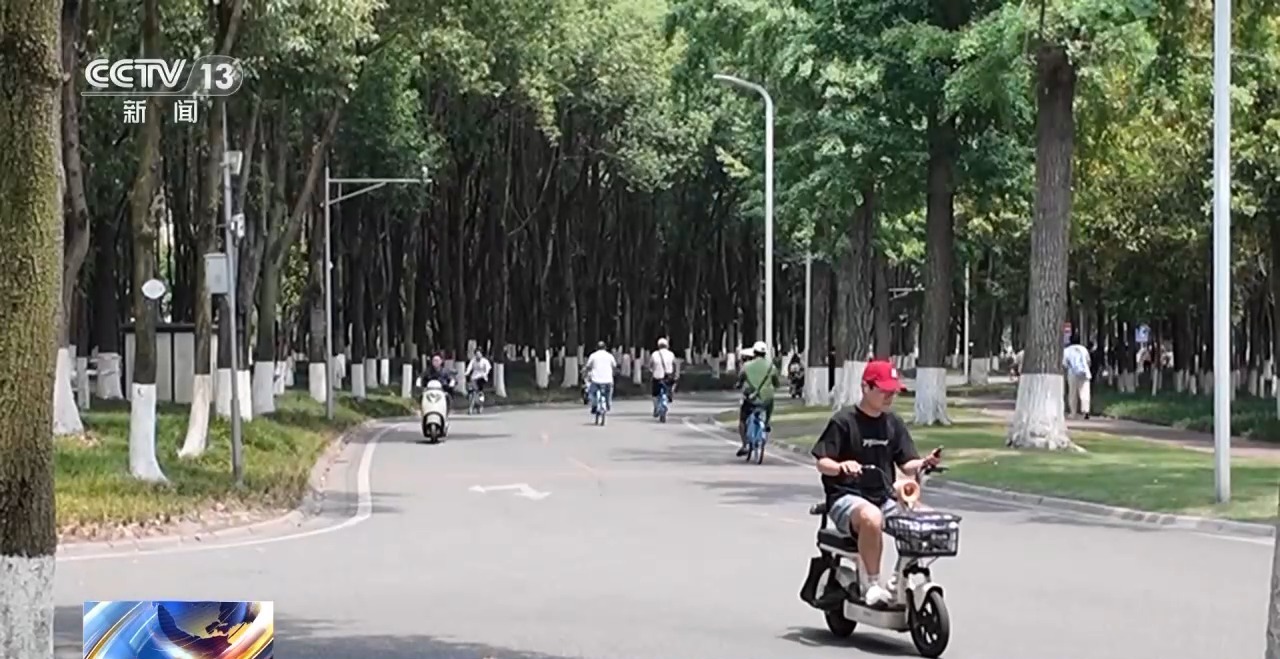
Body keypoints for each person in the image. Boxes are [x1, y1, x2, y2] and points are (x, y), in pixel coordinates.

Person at [810, 359, 941, 607]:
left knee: (928, 521)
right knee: (871, 517)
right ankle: (871, 584)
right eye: (884, 390)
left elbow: (907, 464)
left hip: (883, 497)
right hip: (846, 498)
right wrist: (841, 466)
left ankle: (899, 579)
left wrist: (924, 463)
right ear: (865, 387)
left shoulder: (893, 423)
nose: (890, 396)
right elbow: (822, 462)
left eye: (893, 391)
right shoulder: (844, 421)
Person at [735, 341, 779, 457]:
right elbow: (776, 383)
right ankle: (767, 422)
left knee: (742, 420)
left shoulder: (746, 366)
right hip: (766, 400)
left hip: (751, 399)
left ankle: (744, 445)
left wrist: (739, 385)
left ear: (754, 353)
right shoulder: (771, 366)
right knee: (770, 403)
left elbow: (740, 379)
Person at [583, 341, 617, 413]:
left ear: (596, 348)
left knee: (592, 392)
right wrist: (613, 373)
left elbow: (588, 366)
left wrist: (585, 371)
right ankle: (608, 404)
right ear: (605, 348)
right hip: (608, 380)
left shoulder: (593, 355)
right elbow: (614, 366)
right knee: (608, 392)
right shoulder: (609, 356)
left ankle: (594, 405)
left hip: (596, 380)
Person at [1063, 335, 1092, 419]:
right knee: (1085, 392)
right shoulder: (1083, 349)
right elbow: (1088, 361)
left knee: (1072, 393)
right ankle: (1086, 411)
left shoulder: (1067, 350)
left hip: (1072, 374)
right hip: (1085, 373)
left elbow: (1065, 364)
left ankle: (1073, 412)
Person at [649, 337, 677, 416]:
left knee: (655, 394)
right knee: (670, 388)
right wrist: (674, 374)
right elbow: (674, 365)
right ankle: (669, 397)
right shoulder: (671, 354)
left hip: (657, 377)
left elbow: (650, 365)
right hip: (668, 377)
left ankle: (656, 407)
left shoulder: (654, 354)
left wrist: (652, 370)